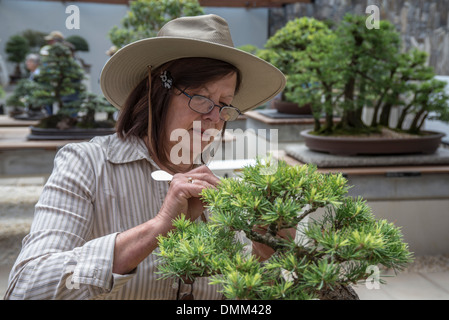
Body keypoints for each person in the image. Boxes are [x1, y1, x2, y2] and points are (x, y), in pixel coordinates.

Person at [4, 14, 285, 300]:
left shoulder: (219, 188)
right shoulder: (86, 165)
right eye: (200, 96)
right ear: (154, 90)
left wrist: (267, 253)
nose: (214, 117)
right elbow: (26, 288)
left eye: (225, 105)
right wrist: (157, 228)